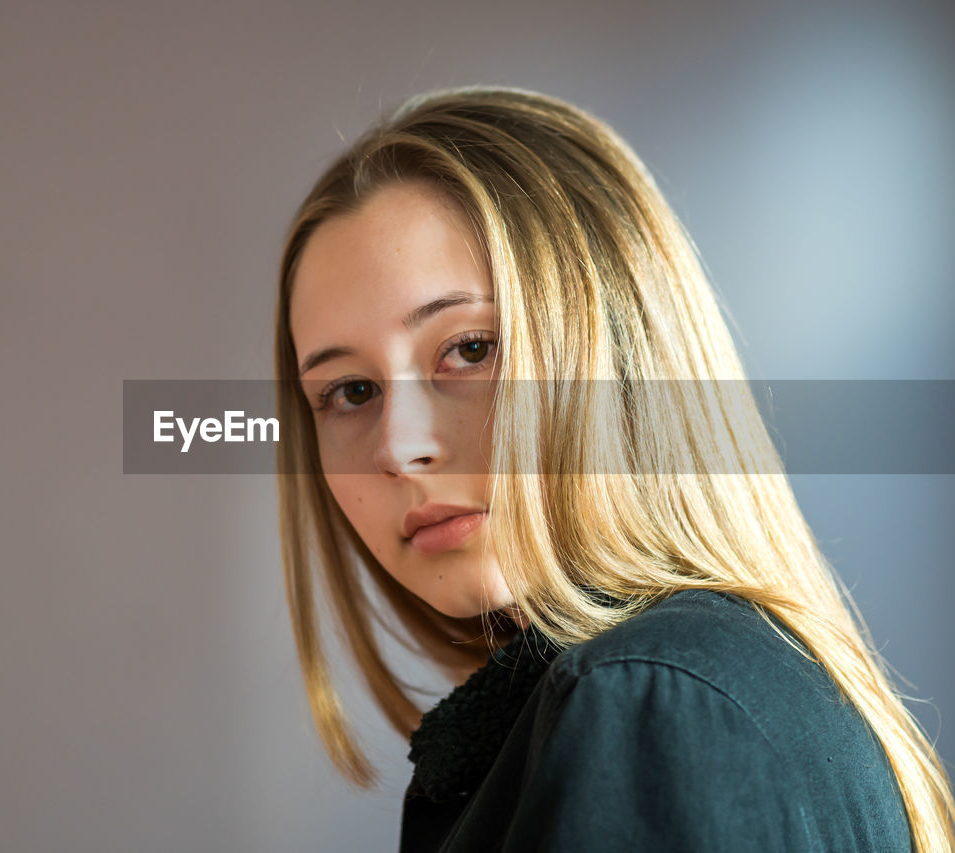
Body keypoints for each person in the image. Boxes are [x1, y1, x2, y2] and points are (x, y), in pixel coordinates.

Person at [272, 86, 955, 851]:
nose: (399, 448)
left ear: (619, 346)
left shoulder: (648, 703)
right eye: (351, 391)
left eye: (470, 348)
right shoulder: (727, 684)